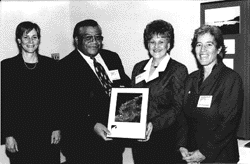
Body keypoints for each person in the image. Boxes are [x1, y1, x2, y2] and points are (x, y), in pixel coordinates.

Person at [59, 19, 131, 164]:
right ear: (77, 40)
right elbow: (67, 107)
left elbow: (126, 88)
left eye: (98, 37)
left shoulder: (112, 58)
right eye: (88, 38)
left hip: (113, 142)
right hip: (83, 145)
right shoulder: (65, 67)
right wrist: (92, 124)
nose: (94, 42)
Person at [177, 25, 244, 163]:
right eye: (199, 45)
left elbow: (228, 123)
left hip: (220, 157)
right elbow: (183, 116)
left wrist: (204, 152)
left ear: (219, 48)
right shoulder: (191, 79)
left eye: (209, 44)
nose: (203, 50)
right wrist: (182, 145)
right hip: (191, 154)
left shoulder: (231, 79)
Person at [1, 21, 61, 163]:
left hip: (47, 133)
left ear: (39, 40)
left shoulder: (51, 65)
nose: (30, 41)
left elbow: (57, 100)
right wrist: (8, 135)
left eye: (34, 37)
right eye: (26, 37)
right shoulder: (7, 67)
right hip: (19, 135)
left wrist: (57, 127)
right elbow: (4, 103)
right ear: (19, 41)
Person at [130, 19, 188, 164]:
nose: (156, 46)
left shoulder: (178, 70)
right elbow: (132, 101)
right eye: (152, 42)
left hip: (165, 139)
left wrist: (153, 125)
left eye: (161, 41)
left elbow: (177, 107)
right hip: (139, 139)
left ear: (169, 45)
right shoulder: (138, 68)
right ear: (147, 44)